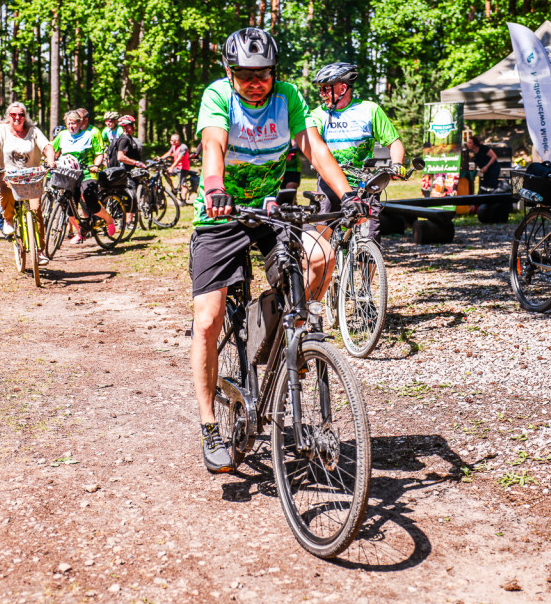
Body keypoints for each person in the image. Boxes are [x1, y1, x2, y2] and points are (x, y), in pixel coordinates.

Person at [190, 27, 362, 473]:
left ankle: (276, 333)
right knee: (208, 320)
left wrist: (348, 196)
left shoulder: (288, 97)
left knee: (320, 258)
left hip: (268, 215)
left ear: (274, 72)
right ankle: (209, 423)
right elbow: (213, 145)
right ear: (230, 73)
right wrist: (215, 188)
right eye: (244, 75)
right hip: (221, 215)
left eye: (262, 74)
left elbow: (314, 148)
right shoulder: (217, 96)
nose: (254, 82)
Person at [307, 61, 405, 242]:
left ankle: (368, 264)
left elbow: (394, 143)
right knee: (321, 238)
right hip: (330, 183)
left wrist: (397, 164)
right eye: (320, 90)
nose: (321, 94)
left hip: (364, 183)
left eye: (325, 89)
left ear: (343, 88)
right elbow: (311, 143)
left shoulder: (369, 110)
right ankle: (325, 263)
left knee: (370, 237)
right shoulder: (317, 115)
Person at [0, 101, 55, 263]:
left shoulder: (33, 131)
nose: (17, 118)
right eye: (13, 114)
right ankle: (8, 219)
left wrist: (50, 160)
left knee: (36, 211)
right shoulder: (2, 130)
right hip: (9, 176)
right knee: (4, 188)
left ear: (25, 116)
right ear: (8, 116)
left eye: (21, 115)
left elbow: (47, 147)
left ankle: (40, 251)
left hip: (32, 178)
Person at [53, 109, 115, 244]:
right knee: (69, 208)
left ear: (79, 123)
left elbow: (99, 153)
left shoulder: (89, 135)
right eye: (69, 123)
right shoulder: (62, 135)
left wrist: (96, 165)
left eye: (74, 123)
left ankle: (109, 220)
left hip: (87, 172)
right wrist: (49, 160)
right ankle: (82, 231)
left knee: (91, 202)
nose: (71, 126)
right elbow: (52, 149)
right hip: (69, 174)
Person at [110, 115, 145, 226]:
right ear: (126, 127)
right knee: (131, 196)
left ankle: (129, 220)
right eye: (132, 125)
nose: (134, 127)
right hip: (127, 173)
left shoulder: (129, 138)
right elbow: (120, 156)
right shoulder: (124, 139)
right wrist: (136, 163)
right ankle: (128, 222)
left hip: (132, 172)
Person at [160, 133, 194, 203]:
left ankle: (184, 201)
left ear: (177, 141)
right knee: (166, 173)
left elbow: (179, 159)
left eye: (172, 140)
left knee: (183, 184)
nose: (170, 142)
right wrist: (160, 158)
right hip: (177, 167)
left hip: (183, 168)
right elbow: (169, 153)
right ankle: (173, 190)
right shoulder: (173, 146)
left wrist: (172, 167)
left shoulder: (183, 147)